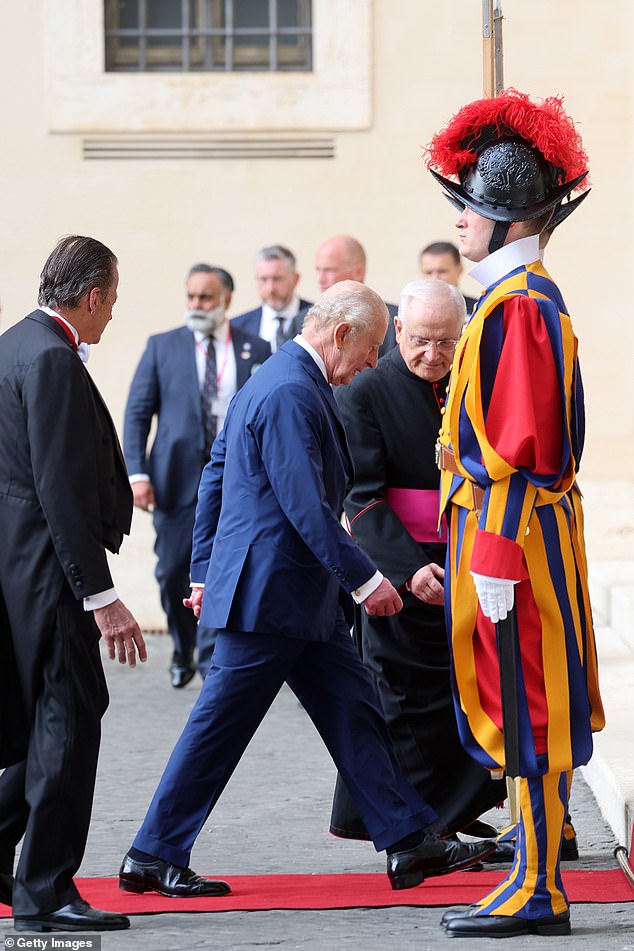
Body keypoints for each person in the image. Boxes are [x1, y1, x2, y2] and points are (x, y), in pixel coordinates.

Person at [118, 281, 495, 900]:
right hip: (273, 599)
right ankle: (152, 854)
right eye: (373, 348)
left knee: (357, 713)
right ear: (342, 334)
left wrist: (205, 571)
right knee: (218, 729)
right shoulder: (293, 389)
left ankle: (408, 841)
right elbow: (306, 508)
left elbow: (219, 472)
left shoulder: (278, 378)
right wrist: (369, 579)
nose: (375, 363)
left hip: (295, 598)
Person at [426, 88, 605, 938]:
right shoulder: (511, 297)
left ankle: (541, 886)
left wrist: (493, 550)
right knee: (516, 703)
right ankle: (532, 876)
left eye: (471, 208)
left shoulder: (521, 304)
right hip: (508, 530)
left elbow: (522, 439)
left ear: (507, 220)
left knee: (530, 706)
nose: (460, 221)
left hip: (513, 535)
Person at [0, 235, 146, 933]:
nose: (112, 315)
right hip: (56, 577)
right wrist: (102, 595)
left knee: (41, 728)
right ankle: (46, 892)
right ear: (91, 297)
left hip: (20, 569)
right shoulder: (55, 360)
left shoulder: (12, 345)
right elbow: (59, 487)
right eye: (113, 301)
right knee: (66, 727)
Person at [329, 279, 504, 844]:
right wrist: (406, 569)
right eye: (422, 341)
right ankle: (418, 820)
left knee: (464, 687)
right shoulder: (365, 391)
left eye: (447, 343)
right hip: (399, 568)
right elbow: (362, 495)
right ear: (398, 331)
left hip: (466, 558)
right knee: (403, 700)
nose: (434, 356)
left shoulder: (472, 382)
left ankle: (453, 810)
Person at [123, 263, 270, 686]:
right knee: (172, 570)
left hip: (235, 481)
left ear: (226, 298)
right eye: (191, 296)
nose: (196, 304)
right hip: (174, 480)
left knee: (221, 567)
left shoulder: (254, 348)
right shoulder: (162, 346)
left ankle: (210, 658)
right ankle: (182, 646)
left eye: (205, 297)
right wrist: (137, 474)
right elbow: (137, 414)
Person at [314, 235, 398, 353]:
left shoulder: (392, 323)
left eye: (329, 270)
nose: (320, 278)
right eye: (318, 270)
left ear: (358, 272)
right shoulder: (304, 321)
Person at [231, 245, 312, 352]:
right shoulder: (237, 327)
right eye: (264, 279)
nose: (270, 289)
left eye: (277, 279)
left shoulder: (318, 319)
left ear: (295, 279)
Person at [419, 240, 478, 313]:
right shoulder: (406, 312)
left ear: (459, 269)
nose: (435, 279)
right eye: (428, 273)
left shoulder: (477, 311)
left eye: (442, 271)